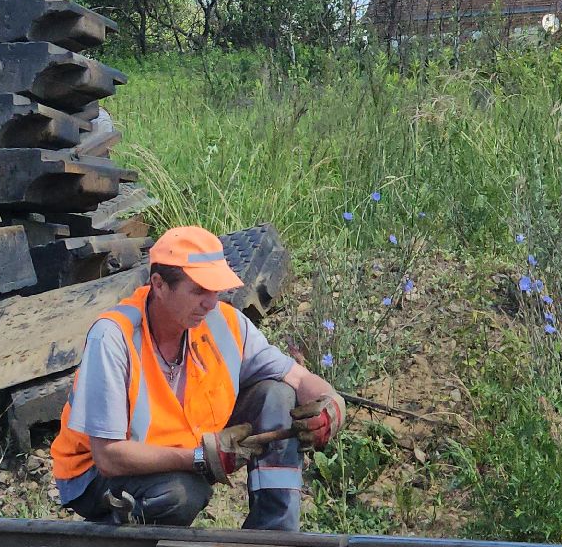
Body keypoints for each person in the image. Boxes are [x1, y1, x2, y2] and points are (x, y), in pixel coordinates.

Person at [49, 225, 346, 529]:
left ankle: (273, 538)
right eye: (199, 291)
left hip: (183, 452)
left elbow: (296, 377)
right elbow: (108, 457)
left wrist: (332, 404)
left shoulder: (224, 324)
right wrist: (200, 458)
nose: (211, 302)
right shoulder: (113, 337)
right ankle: (127, 539)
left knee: (277, 395)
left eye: (215, 291)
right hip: (97, 475)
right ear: (159, 285)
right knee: (182, 493)